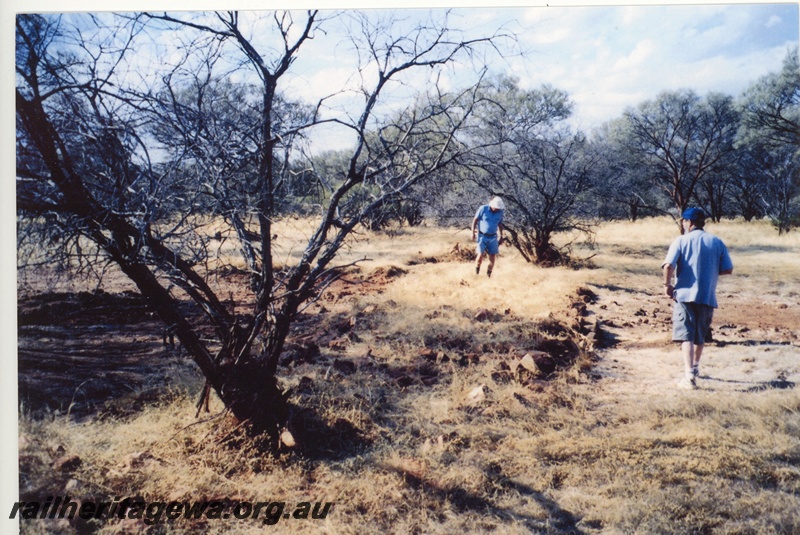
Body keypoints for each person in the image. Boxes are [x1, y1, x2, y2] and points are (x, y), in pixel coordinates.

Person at [662, 207, 733, 389]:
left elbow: (668, 266)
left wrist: (667, 285)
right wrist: (709, 272)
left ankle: (688, 377)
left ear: (689, 222)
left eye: (684, 221)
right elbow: (728, 269)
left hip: (684, 295)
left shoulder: (680, 241)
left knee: (687, 336)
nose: (683, 224)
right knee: (700, 336)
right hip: (706, 295)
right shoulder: (716, 242)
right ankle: (695, 368)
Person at [472, 196, 505, 277]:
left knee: (492, 256)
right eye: (496, 207)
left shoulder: (500, 212)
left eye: (498, 208)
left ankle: (488, 275)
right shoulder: (483, 209)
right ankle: (476, 273)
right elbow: (475, 220)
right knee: (480, 254)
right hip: (482, 235)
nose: (496, 209)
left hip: (493, 237)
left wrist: (502, 236)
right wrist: (472, 232)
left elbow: (500, 224)